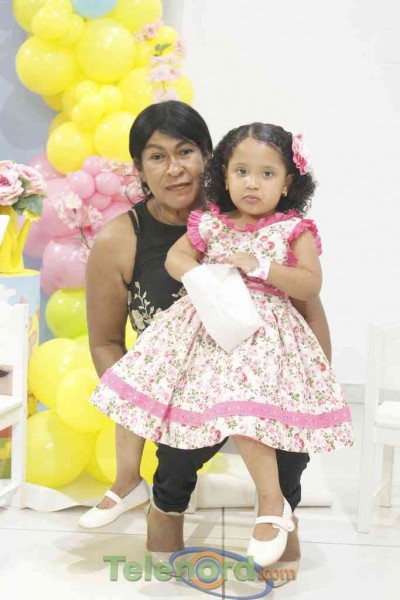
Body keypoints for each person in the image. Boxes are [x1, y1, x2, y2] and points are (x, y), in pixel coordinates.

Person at [80, 101, 331, 580]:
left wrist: (315, 386)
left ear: (208, 158)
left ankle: (279, 517)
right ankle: (156, 507)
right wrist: (146, 403)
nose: (174, 167)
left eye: (186, 151)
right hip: (181, 384)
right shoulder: (131, 237)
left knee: (286, 446)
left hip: (261, 373)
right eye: (157, 156)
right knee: (175, 454)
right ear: (139, 169)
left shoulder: (256, 221)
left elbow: (309, 303)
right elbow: (106, 340)